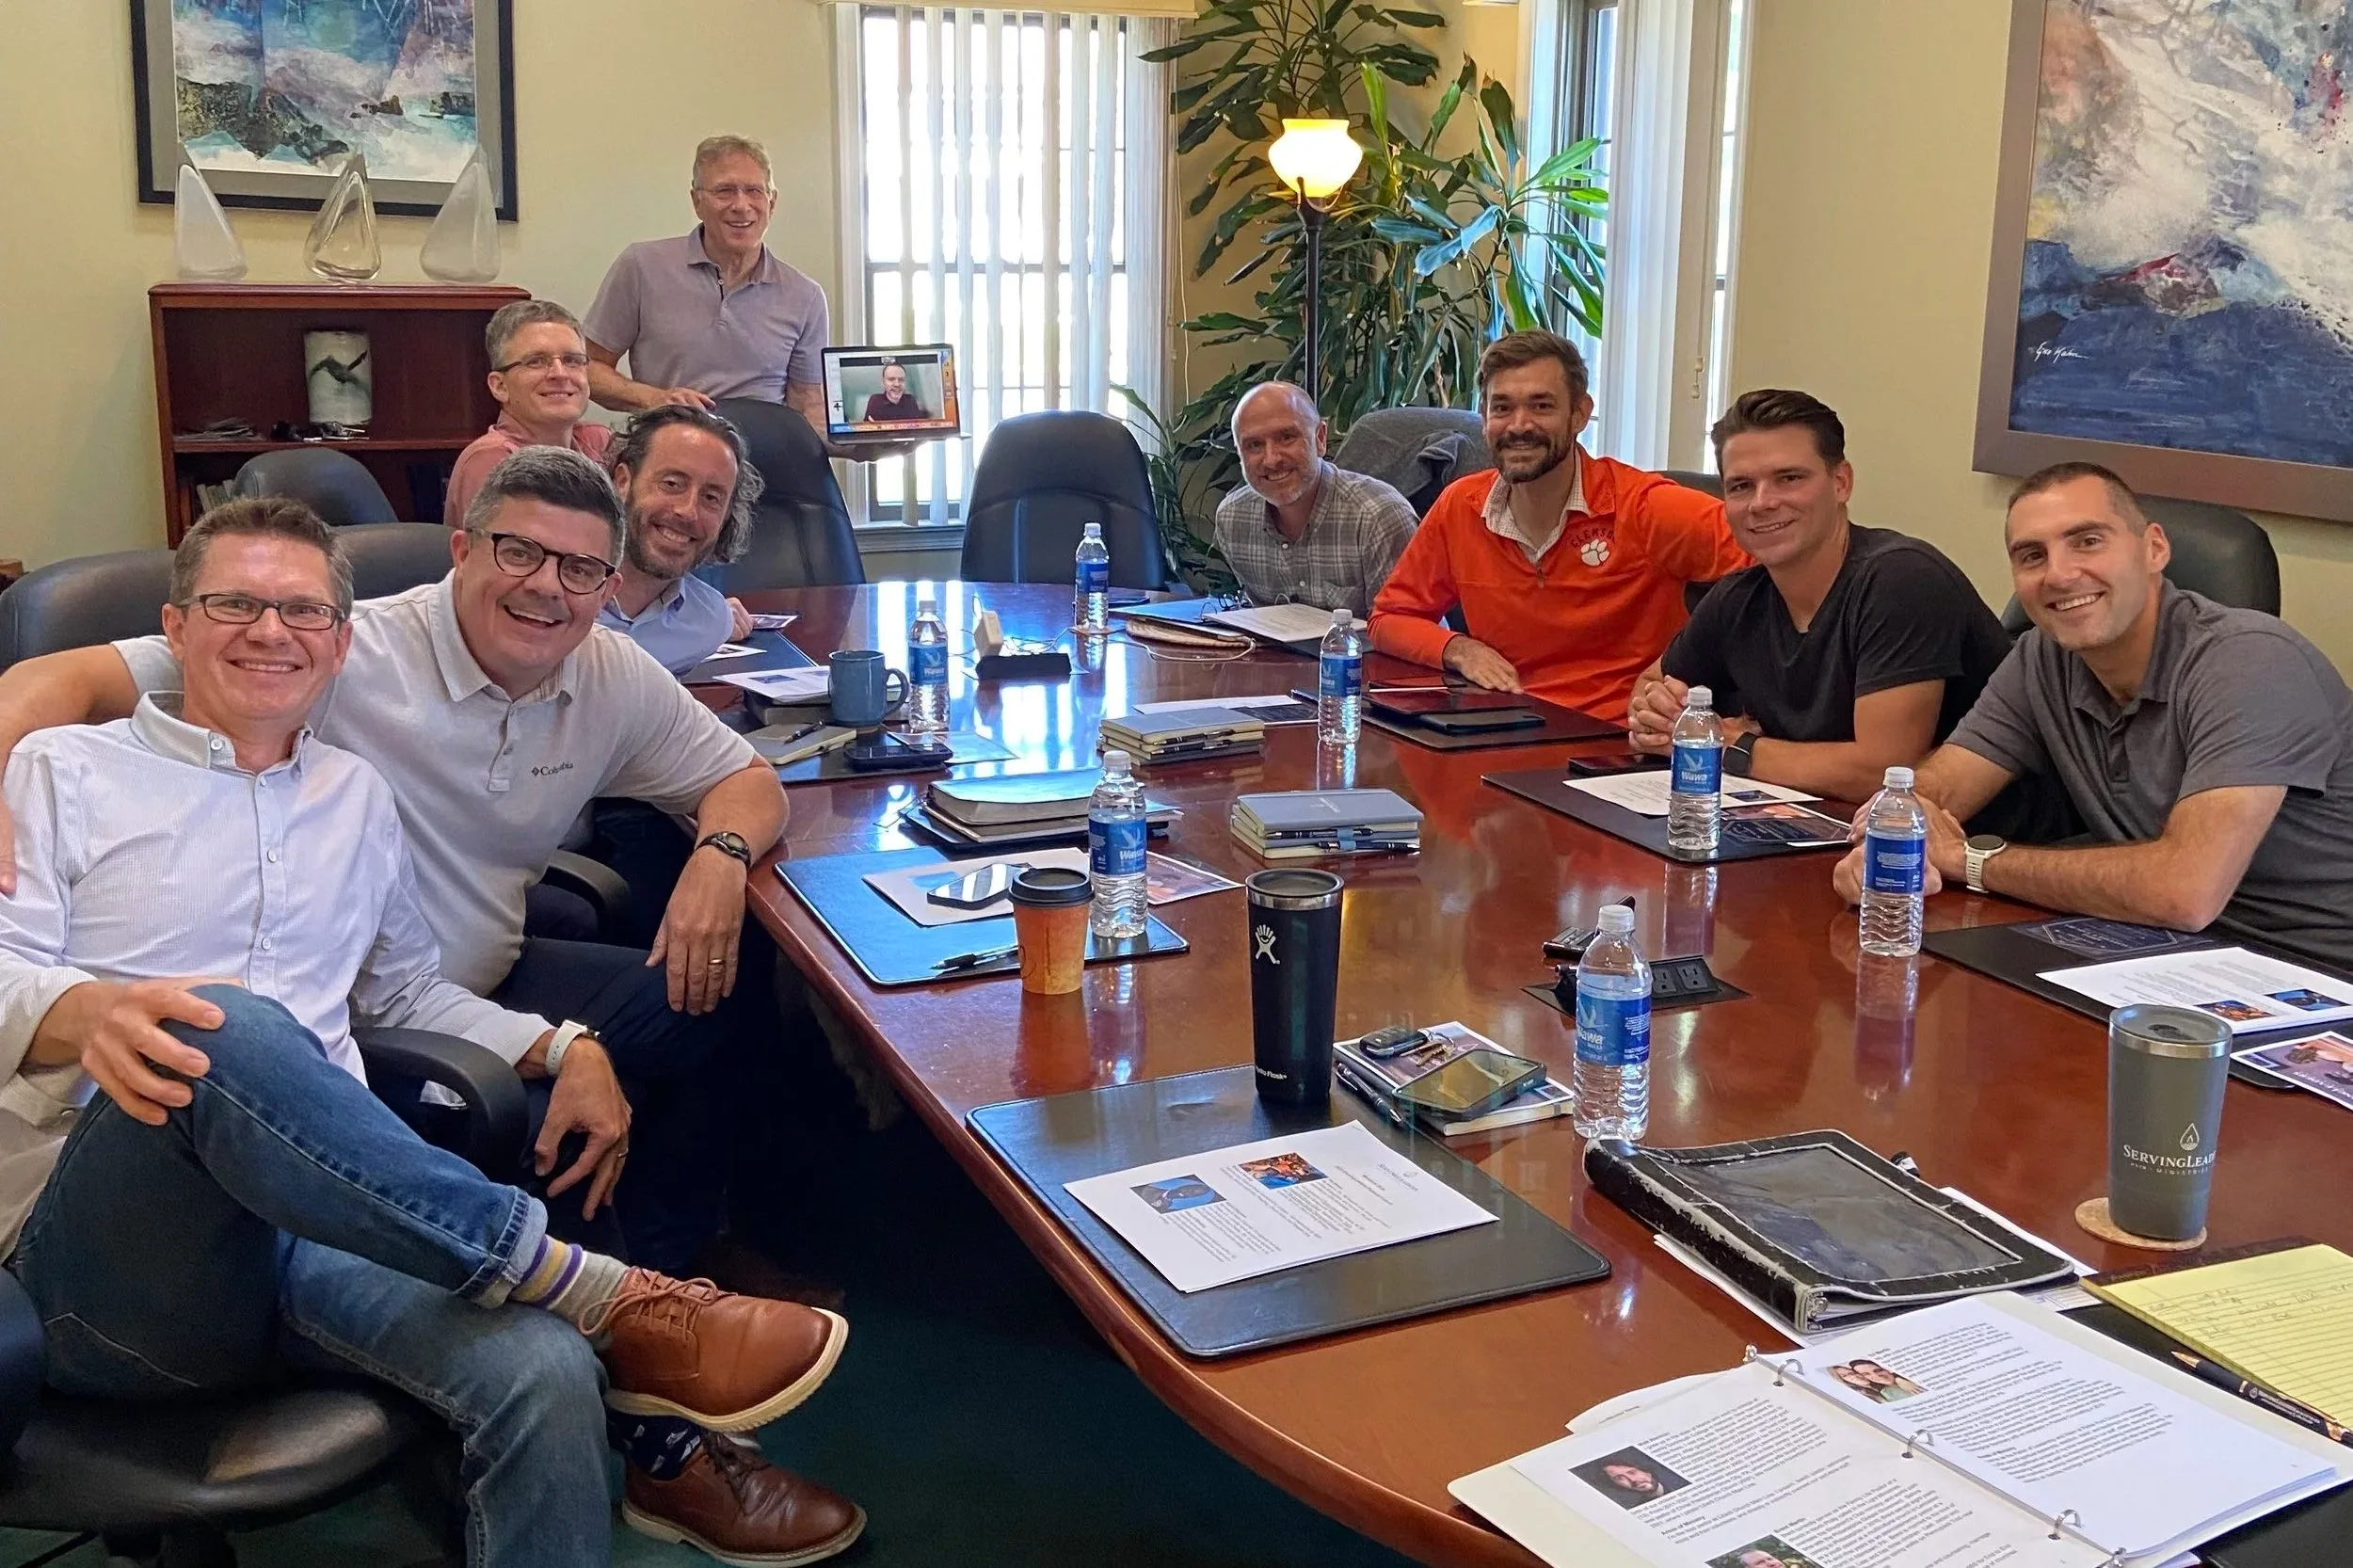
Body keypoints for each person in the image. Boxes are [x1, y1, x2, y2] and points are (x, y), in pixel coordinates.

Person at [0, 450, 848, 1560]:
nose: (271, 632)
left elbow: (402, 989)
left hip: (309, 1231)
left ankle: (600, 1339)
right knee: (223, 1024)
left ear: (338, 643)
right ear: (175, 626)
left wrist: (566, 1044)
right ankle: (598, 1290)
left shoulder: (352, 794)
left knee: (542, 1372)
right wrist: (89, 1012)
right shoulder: (59, 773)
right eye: (236, 605)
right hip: (104, 1265)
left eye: (303, 611)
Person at [1833, 462, 2353, 973]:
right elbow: (1937, 787)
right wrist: (1894, 839)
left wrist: (1968, 860)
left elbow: (2184, 892)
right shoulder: (2041, 657)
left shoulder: (2251, 661)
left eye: (2087, 542)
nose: (2059, 574)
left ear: (2154, 549)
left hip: (2315, 971)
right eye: (2032, 555)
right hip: (2162, 951)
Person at [1625, 390, 2014, 802]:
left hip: (1965, 834)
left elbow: (1884, 772)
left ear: (1841, 482)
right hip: (1810, 819)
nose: (1762, 502)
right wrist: (1656, 713)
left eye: (1789, 478)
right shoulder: (1738, 598)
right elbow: (1650, 683)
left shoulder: (1901, 581)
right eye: (1741, 486)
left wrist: (1731, 746)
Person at [1369, 331, 1750, 725]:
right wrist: (1459, 649)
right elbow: (1390, 617)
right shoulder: (1461, 506)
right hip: (1499, 726)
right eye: (1502, 408)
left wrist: (1685, 664)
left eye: (1541, 406)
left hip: (1615, 739)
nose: (1519, 426)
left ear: (1580, 414)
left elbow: (1775, 566)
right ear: (1484, 418)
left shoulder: (1645, 506)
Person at [584, 136, 828, 427]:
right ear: (697, 202)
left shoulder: (805, 296)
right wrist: (655, 399)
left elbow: (808, 405)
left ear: (772, 202)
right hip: (669, 441)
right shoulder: (641, 266)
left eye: (754, 191)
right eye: (725, 191)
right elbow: (588, 367)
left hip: (764, 449)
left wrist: (859, 440)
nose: (741, 205)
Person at [1212, 381, 1417, 617]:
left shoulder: (1378, 517)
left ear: (1320, 438)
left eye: (1286, 437)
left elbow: (1404, 630)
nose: (1271, 459)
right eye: (1254, 445)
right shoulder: (1232, 519)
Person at [602, 404, 762, 675]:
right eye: (672, 484)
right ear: (623, 482)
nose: (688, 511)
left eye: (711, 497)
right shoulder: (551, 595)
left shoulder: (709, 623)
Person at [444, 299, 616, 528]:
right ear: (500, 386)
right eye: (536, 362)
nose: (560, 373)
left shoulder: (599, 440)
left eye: (572, 361)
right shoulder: (491, 460)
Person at [860, 360, 931, 423]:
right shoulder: (875, 401)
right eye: (891, 379)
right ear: (883, 383)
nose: (897, 384)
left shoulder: (910, 401)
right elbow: (866, 429)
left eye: (901, 380)